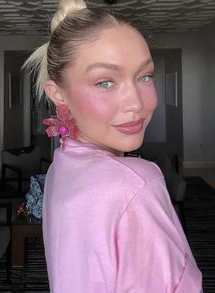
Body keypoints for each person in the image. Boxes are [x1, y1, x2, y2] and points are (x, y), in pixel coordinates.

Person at [24, 0, 202, 292]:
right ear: (59, 95)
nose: (136, 103)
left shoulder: (62, 165)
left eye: (144, 76)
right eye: (105, 82)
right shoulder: (136, 183)